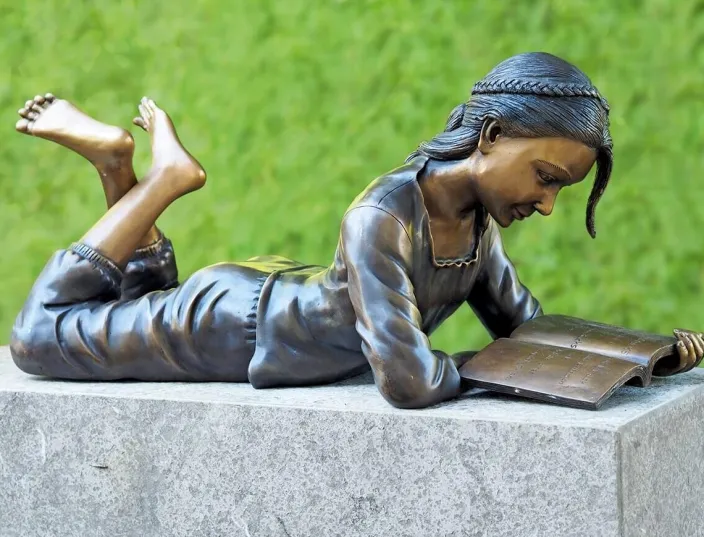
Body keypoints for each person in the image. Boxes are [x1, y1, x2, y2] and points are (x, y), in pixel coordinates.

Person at [9, 52, 702, 409]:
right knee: (41, 337)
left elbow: (530, 331)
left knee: (128, 305)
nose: (547, 205)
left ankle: (115, 165)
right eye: (546, 178)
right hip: (229, 327)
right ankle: (165, 179)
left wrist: (642, 360)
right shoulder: (384, 217)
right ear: (491, 136)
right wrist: (493, 369)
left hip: (263, 305)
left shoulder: (475, 227)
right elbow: (410, 380)